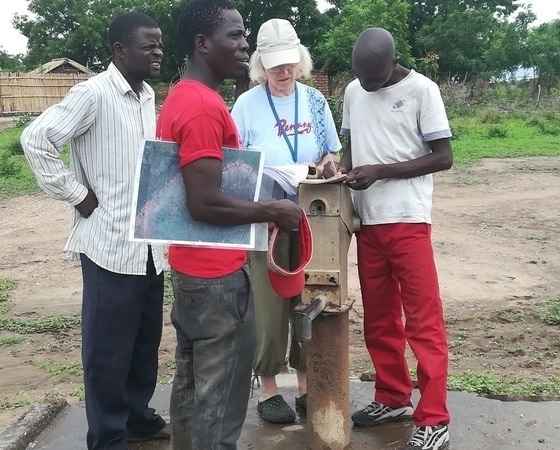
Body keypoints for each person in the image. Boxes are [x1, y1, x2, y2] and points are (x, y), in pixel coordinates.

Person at [156, 1, 303, 448]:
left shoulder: (184, 95)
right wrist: (272, 211)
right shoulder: (202, 107)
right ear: (203, 44)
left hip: (191, 267)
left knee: (192, 386)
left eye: (245, 36)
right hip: (217, 275)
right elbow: (202, 202)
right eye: (235, 36)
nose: (244, 46)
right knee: (220, 398)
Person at [21, 12, 169, 449]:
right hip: (108, 245)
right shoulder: (92, 94)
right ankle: (107, 435)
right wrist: (76, 194)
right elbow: (36, 138)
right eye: (149, 44)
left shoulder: (145, 96)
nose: (157, 51)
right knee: (108, 351)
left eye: (159, 43)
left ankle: (138, 417)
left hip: (148, 245)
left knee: (144, 343)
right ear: (120, 51)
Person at [337, 28, 453, 450]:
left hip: (408, 221)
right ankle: (392, 396)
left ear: (392, 61)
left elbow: (444, 156)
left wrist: (379, 170)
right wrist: (342, 171)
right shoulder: (353, 90)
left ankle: (434, 417)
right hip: (368, 224)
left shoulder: (423, 90)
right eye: (361, 76)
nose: (367, 84)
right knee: (380, 319)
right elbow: (353, 144)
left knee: (424, 323)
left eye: (374, 77)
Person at [230, 18, 341, 424]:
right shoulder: (246, 105)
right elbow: (235, 165)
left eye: (289, 63)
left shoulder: (314, 100)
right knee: (270, 296)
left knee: (309, 296)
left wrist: (328, 168)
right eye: (275, 65)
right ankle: (269, 388)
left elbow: (330, 154)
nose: (283, 72)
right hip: (267, 215)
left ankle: (307, 384)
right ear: (260, 64)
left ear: (300, 59)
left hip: (312, 213)